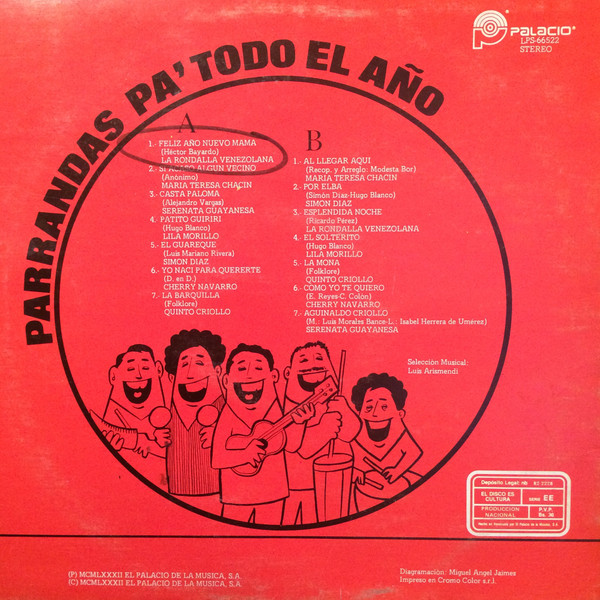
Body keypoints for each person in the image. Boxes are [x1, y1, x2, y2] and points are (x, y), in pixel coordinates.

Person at [212, 343, 313, 525]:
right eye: (241, 368)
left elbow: (290, 445)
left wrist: (300, 423)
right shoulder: (228, 414)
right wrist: (245, 454)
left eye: (258, 368)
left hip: (274, 493)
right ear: (226, 380)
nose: (249, 375)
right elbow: (217, 459)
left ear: (273, 376)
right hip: (236, 497)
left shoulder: (274, 409)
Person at [282, 341, 360, 525]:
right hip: (300, 486)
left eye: (319, 359)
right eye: (303, 360)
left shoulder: (335, 399)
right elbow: (296, 447)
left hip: (338, 481)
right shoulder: (290, 407)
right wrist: (323, 430)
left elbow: (351, 433)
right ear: (288, 373)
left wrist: (345, 410)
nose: (312, 366)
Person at [162, 329, 226, 498]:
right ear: (172, 377)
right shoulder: (168, 414)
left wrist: (222, 438)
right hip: (175, 496)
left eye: (199, 363)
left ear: (217, 371)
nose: (191, 374)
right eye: (184, 364)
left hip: (219, 495)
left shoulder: (227, 411)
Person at [95, 344, 170, 484]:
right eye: (130, 369)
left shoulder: (171, 417)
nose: (139, 375)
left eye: (145, 368)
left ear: (158, 370)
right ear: (113, 375)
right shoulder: (108, 421)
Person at [349, 373, 422, 512]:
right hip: (366, 496)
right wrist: (355, 471)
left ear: (400, 414)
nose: (375, 413)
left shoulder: (400, 435)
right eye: (368, 408)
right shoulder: (356, 439)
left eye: (384, 407)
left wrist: (397, 471)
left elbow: (414, 452)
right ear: (359, 413)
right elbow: (351, 460)